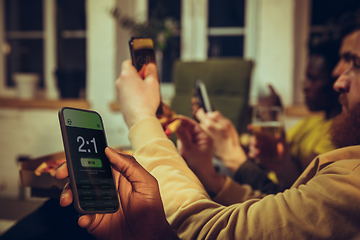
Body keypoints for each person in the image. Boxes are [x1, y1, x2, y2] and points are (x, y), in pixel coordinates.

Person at [58, 30, 360, 239]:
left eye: (355, 64)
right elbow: (284, 203)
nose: (338, 79)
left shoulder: (352, 181)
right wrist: (213, 173)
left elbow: (206, 231)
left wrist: (141, 115)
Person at [192, 39, 342, 190]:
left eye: (313, 79)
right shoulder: (311, 122)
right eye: (306, 78)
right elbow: (279, 155)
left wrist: (269, 116)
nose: (304, 87)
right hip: (263, 176)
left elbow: (304, 181)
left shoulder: (336, 133)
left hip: (270, 189)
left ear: (335, 83)